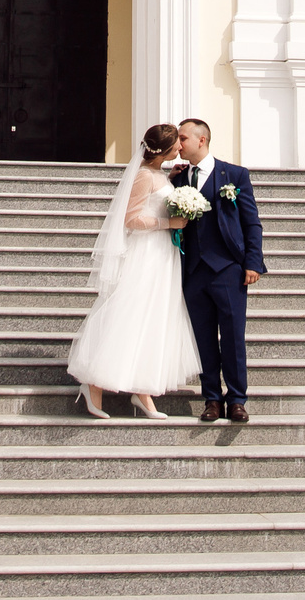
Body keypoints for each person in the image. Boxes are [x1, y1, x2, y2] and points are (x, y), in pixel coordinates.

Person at [65, 122, 203, 418]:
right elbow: (130, 219)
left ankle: (143, 393)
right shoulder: (143, 176)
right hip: (146, 254)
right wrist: (169, 223)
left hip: (163, 256)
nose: (181, 146)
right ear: (164, 150)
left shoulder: (158, 174)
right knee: (131, 314)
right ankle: (93, 385)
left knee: (153, 319)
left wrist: (172, 179)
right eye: (176, 143)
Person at [170, 117, 266, 422]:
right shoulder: (177, 178)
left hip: (228, 269)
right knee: (204, 338)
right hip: (193, 270)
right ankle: (212, 398)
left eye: (183, 138)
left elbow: (251, 222)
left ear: (202, 140)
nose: (178, 144)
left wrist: (253, 262)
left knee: (234, 336)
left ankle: (237, 399)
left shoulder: (235, 175)